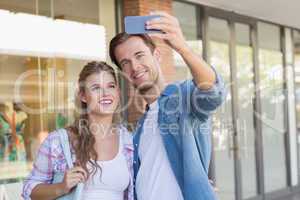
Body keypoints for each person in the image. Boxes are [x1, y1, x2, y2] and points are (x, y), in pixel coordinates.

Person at [109, 11, 226, 200]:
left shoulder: (183, 97)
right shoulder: (139, 128)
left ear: (157, 55)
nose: (135, 66)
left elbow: (213, 93)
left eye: (140, 55)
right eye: (126, 63)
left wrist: (182, 48)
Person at [22, 61, 134, 200]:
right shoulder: (58, 141)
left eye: (111, 86)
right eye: (96, 88)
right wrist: (61, 187)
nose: (105, 93)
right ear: (83, 96)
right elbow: (29, 189)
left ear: (117, 91)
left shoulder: (128, 140)